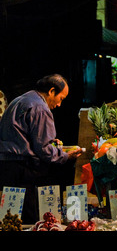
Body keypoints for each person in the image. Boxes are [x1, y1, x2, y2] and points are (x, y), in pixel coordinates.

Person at [0, 74, 82, 224]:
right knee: (28, 219)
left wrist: (51, 143)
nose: (59, 105)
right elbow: (44, 149)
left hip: (6, 166)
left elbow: (25, 135)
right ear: (51, 91)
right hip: (22, 170)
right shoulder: (40, 108)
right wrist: (65, 156)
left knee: (10, 218)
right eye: (61, 99)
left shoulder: (20, 100)